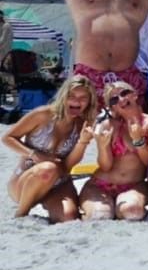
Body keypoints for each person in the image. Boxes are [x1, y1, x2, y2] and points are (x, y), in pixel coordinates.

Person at [4, 75, 97, 221]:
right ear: (63, 96)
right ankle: (21, 214)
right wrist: (34, 154)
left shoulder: (82, 124)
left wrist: (83, 142)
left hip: (58, 182)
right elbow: (7, 138)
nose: (76, 101)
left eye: (83, 97)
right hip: (27, 179)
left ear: (89, 101)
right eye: (71, 95)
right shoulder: (42, 115)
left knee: (68, 216)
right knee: (48, 168)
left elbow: (68, 166)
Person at [80, 81, 148, 221]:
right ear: (112, 108)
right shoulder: (109, 126)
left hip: (134, 185)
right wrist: (102, 146)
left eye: (124, 93)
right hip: (100, 184)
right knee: (99, 216)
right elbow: (106, 166)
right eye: (114, 99)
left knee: (132, 212)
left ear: (134, 95)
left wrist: (138, 141)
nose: (121, 99)